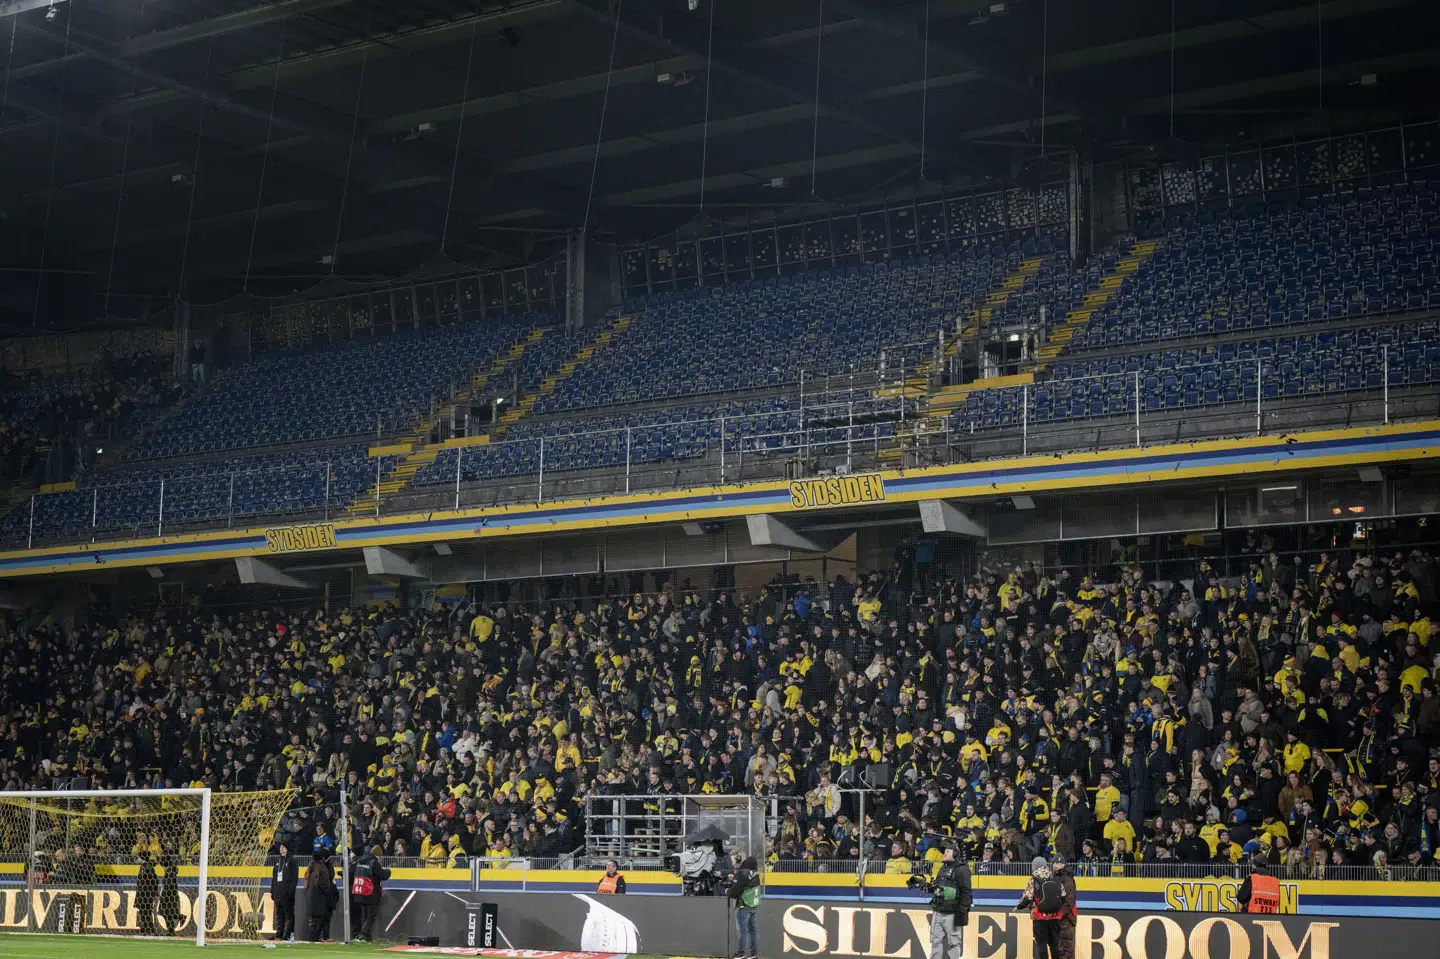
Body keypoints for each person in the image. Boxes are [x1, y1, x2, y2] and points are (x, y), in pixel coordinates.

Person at [1016, 856, 1070, 959]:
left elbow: (1027, 898)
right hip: (1055, 917)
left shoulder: (1034, 880)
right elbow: (1063, 895)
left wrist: (1019, 906)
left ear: (1035, 866)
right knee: (1054, 944)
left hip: (1040, 917)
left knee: (1041, 943)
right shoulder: (1055, 878)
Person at [927, 843, 972, 959]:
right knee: (935, 941)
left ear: (955, 854)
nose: (945, 853)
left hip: (952, 912)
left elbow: (966, 891)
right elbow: (938, 886)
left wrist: (962, 911)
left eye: (948, 851)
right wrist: (930, 887)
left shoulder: (961, 869)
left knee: (954, 943)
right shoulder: (943, 867)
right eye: (945, 851)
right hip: (938, 911)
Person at [351, 844, 391, 942]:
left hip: (360, 892)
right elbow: (382, 875)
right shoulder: (374, 863)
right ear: (378, 855)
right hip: (371, 893)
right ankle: (362, 934)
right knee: (371, 916)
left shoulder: (360, 862)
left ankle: (367, 938)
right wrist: (388, 871)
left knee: (364, 915)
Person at [727, 855, 762, 959]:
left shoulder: (742, 873)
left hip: (743, 905)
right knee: (753, 930)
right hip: (753, 905)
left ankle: (741, 953)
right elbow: (747, 882)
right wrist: (735, 878)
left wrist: (727, 891)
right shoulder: (756, 872)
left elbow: (735, 892)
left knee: (743, 931)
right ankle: (753, 954)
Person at [307, 851, 340, 942]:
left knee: (314, 918)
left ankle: (313, 937)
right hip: (320, 896)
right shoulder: (322, 868)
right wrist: (330, 893)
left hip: (312, 895)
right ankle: (316, 937)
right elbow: (325, 883)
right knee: (319, 918)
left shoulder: (311, 866)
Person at [271, 841, 299, 943]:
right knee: (279, 915)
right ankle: (279, 934)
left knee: (289, 915)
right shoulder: (277, 861)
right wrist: (272, 891)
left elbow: (294, 878)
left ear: (287, 848)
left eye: (283, 847)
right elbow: (274, 878)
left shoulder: (292, 861)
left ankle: (288, 935)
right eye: (280, 847)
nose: (281, 848)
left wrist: (290, 892)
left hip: (287, 893)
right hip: (278, 893)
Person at [135, 850, 159, 937]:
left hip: (146, 894)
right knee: (144, 912)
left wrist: (153, 892)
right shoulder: (143, 867)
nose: (137, 859)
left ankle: (148, 929)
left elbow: (155, 880)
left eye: (138, 857)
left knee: (146, 912)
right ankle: (147, 928)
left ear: (142, 858)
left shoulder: (148, 867)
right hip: (142, 893)